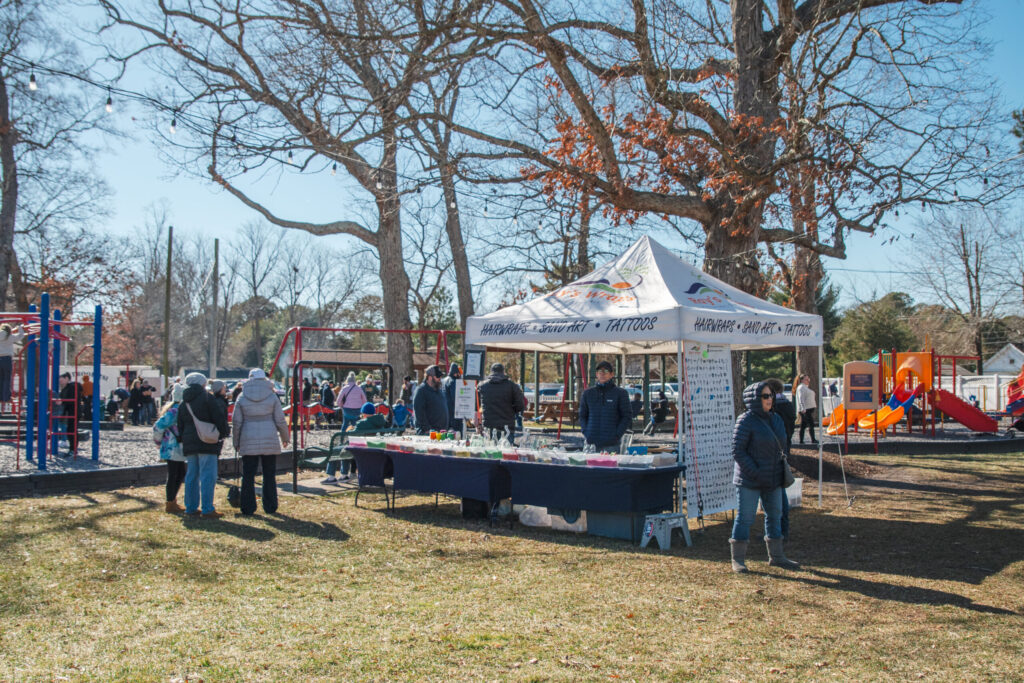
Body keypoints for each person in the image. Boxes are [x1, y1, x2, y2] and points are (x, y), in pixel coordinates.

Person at [729, 381, 800, 573]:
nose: (770, 399)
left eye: (771, 396)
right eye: (766, 396)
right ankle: (738, 559)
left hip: (774, 477)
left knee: (775, 515)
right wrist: (756, 471)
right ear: (755, 399)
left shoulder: (776, 419)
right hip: (749, 480)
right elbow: (738, 451)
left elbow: (783, 445)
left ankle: (777, 556)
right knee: (745, 518)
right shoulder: (745, 420)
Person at [232, 368, 289, 515]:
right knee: (269, 474)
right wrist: (285, 437)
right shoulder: (272, 396)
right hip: (269, 437)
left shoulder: (242, 397)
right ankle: (270, 506)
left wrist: (236, 441)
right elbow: (280, 420)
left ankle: (248, 507)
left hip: (247, 437)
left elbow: (236, 422)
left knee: (248, 475)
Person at [177, 372, 230, 519]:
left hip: (189, 442)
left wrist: (183, 439)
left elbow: (179, 423)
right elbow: (218, 418)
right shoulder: (207, 398)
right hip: (207, 441)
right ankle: (207, 508)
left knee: (191, 475)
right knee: (208, 475)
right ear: (202, 384)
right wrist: (224, 433)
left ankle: (191, 507)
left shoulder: (184, 401)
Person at [765, 377, 796, 542]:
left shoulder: (775, 409)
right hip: (784, 451)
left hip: (774, 454)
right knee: (779, 492)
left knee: (776, 495)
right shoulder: (788, 405)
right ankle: (782, 528)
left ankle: (778, 530)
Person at [578, 360, 631, 452]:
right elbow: (582, 415)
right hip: (591, 443)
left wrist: (617, 435)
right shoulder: (588, 393)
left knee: (609, 466)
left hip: (611, 444)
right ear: (597, 374)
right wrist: (586, 432)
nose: (602, 374)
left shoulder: (620, 393)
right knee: (589, 466)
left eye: (606, 371)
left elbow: (626, 416)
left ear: (611, 374)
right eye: (599, 371)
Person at [153, 383, 187, 513]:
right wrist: (158, 441)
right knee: (174, 474)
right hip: (172, 447)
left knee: (178, 473)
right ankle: (170, 501)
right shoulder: (176, 410)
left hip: (173, 446)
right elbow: (158, 426)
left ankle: (172, 500)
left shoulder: (174, 408)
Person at [476, 363, 527, 444]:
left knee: (489, 451)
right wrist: (512, 411)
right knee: (507, 451)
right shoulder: (512, 386)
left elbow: (477, 405)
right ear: (503, 372)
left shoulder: (482, 386)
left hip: (489, 424)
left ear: (491, 372)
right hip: (507, 424)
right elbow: (520, 405)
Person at [413, 365, 449, 435]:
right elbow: (419, 412)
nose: (440, 379)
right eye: (438, 377)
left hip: (441, 432)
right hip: (428, 433)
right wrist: (427, 429)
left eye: (441, 376)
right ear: (429, 377)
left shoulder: (438, 390)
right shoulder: (421, 391)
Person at [0, 323, 25, 414]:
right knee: (7, 378)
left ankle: (0, 396)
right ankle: (6, 397)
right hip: (7, 359)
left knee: (1, 379)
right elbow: (20, 336)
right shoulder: (9, 337)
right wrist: (20, 328)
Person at [57, 373, 81, 456]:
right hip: (69, 411)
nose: (60, 381)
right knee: (70, 430)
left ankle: (73, 449)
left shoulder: (71, 387)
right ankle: (72, 448)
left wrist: (62, 401)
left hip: (73, 411)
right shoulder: (65, 388)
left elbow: (72, 398)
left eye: (62, 379)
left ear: (67, 378)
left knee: (72, 429)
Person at [795, 374, 818, 445]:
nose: (808, 380)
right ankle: (813, 439)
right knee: (810, 424)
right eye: (806, 379)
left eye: (808, 379)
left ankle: (802, 440)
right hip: (805, 410)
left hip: (808, 409)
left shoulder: (805, 387)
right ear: (801, 380)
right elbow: (800, 398)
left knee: (803, 425)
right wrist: (802, 408)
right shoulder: (801, 387)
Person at [442, 363, 463, 435]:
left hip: (444, 411)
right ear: (456, 373)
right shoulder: (453, 381)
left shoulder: (443, 380)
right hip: (453, 412)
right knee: (456, 434)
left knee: (445, 434)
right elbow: (455, 397)